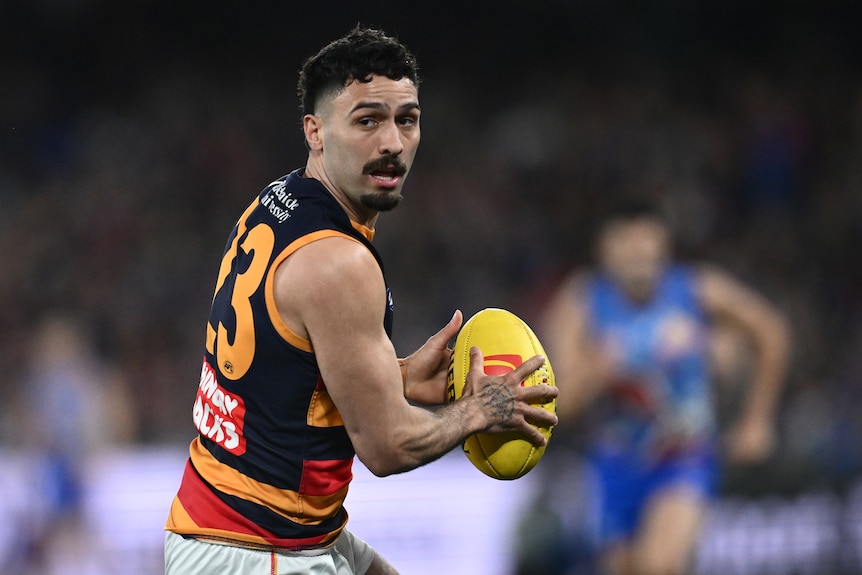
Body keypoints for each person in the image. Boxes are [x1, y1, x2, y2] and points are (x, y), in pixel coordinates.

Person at [163, 26, 558, 575]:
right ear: (315, 131)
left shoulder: (276, 201)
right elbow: (388, 446)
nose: (392, 143)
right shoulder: (340, 264)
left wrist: (394, 376)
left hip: (240, 521)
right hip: (260, 547)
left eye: (407, 120)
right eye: (367, 120)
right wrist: (477, 411)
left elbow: (287, 375)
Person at [540, 198, 790, 575]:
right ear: (604, 250)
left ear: (663, 245)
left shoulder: (694, 288)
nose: (638, 254)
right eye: (626, 243)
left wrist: (757, 420)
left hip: (682, 456)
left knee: (660, 565)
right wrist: (600, 371)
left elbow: (770, 330)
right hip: (615, 462)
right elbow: (559, 404)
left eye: (646, 242)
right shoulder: (581, 302)